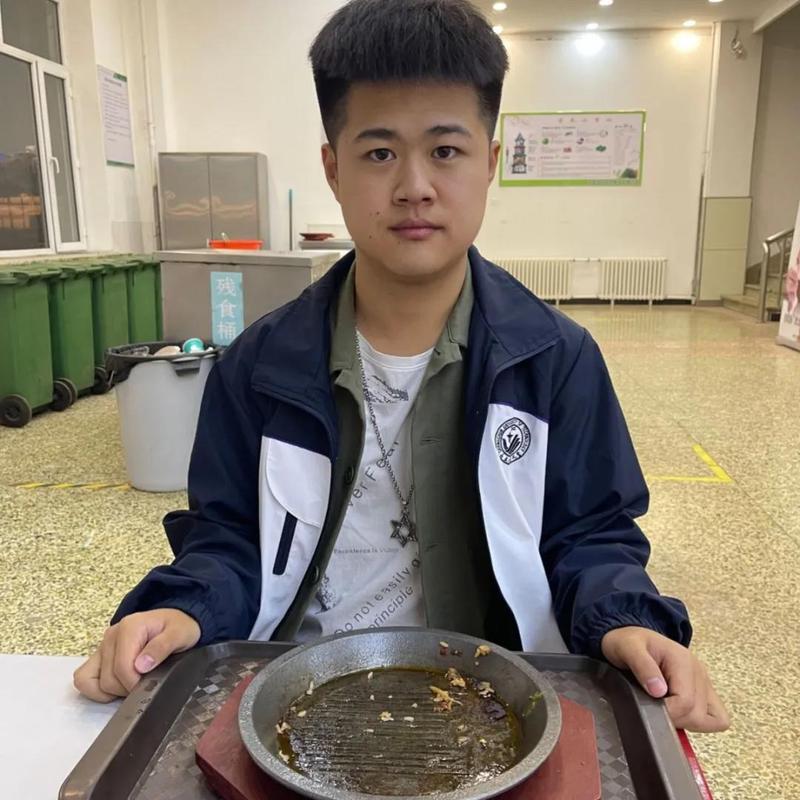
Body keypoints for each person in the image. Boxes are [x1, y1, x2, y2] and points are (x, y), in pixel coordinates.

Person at [75, 0, 729, 733]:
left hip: (493, 704)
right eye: (379, 153)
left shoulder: (554, 359)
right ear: (333, 168)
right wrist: (181, 608)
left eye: (445, 150)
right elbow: (226, 539)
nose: (415, 185)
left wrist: (625, 620)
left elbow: (593, 535)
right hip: (300, 694)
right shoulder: (259, 366)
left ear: (490, 161)